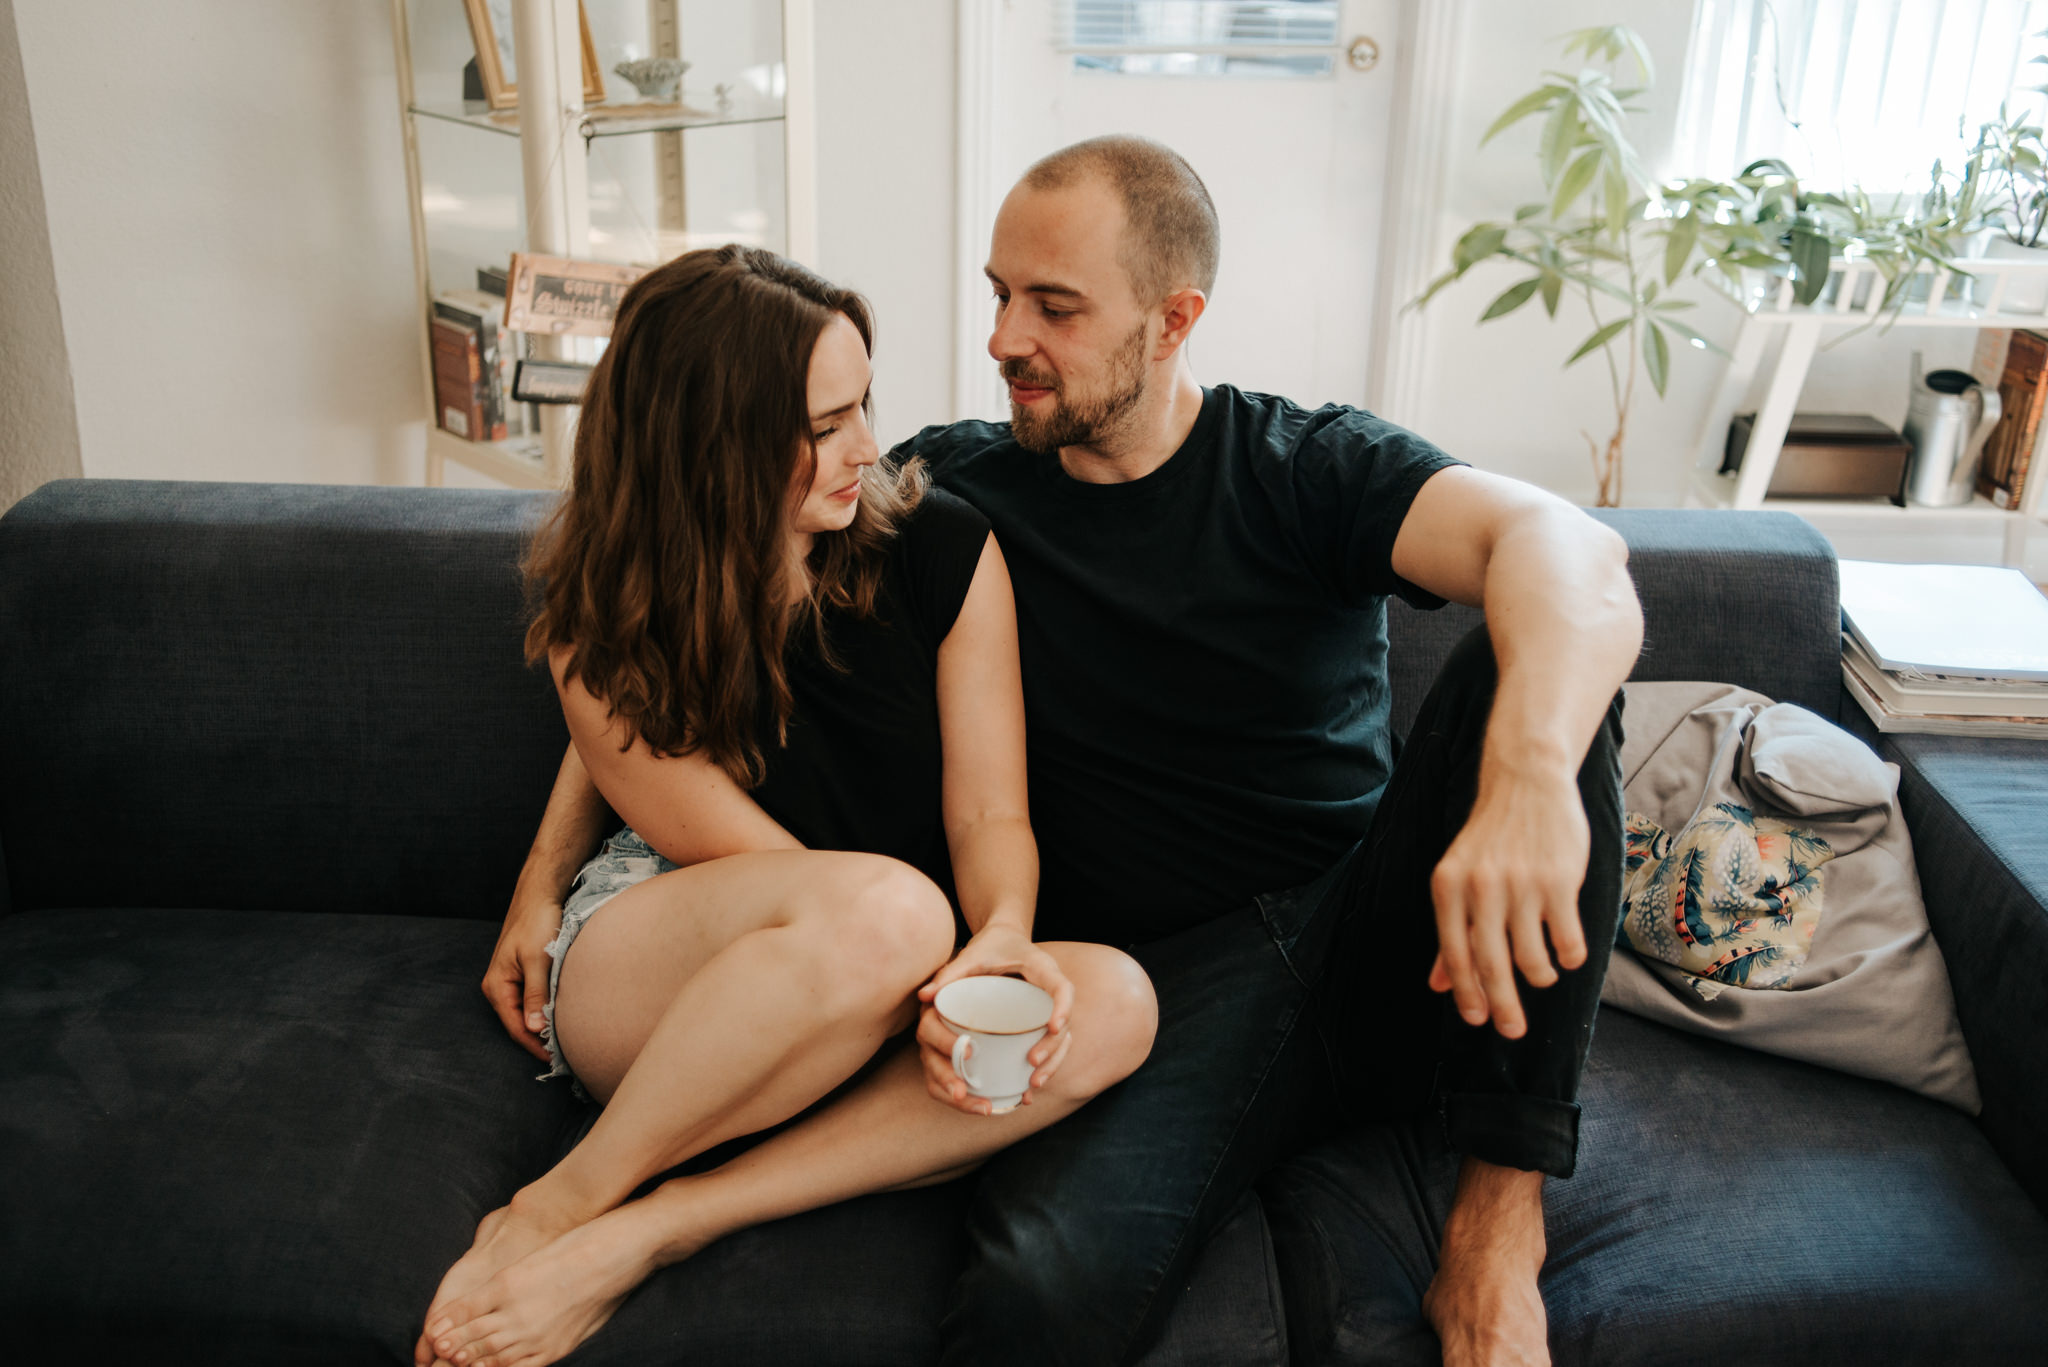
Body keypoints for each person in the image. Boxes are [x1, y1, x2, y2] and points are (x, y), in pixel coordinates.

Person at [488, 134, 1642, 1367]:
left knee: (1540, 671)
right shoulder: (951, 491)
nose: (1000, 338)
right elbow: (670, 617)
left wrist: (1525, 774)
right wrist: (545, 871)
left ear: (1170, 317)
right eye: (996, 295)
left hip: (1359, 924)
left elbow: (1570, 551)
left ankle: (1494, 1221)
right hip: (1142, 982)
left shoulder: (1302, 469)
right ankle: (635, 1222)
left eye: (1052, 305)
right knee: (1036, 1288)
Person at [412, 244, 1159, 1367]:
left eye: (863, 403)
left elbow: (990, 816)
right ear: (711, 441)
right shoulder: (602, 612)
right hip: (668, 951)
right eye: (824, 422)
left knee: (1116, 1000)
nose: (867, 445)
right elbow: (739, 854)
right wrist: (927, 977)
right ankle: (557, 1204)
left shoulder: (943, 550)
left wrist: (1001, 935)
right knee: (890, 912)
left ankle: (660, 1224)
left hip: (881, 954)